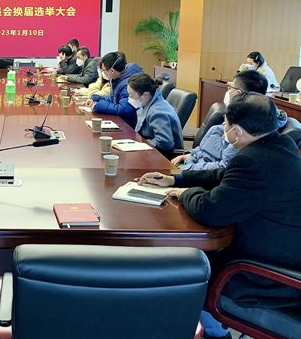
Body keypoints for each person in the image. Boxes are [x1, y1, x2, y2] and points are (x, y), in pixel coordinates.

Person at [139, 94, 301, 338]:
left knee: (180, 269)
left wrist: (185, 193)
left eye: (225, 124)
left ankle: (214, 334)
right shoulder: (280, 145)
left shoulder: (253, 160)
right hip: (283, 257)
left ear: (236, 131)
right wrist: (176, 179)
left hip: (264, 279)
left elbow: (211, 211)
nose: (224, 129)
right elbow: (225, 175)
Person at [172, 70, 270, 171]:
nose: (228, 91)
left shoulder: (243, 133)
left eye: (230, 87)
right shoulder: (232, 117)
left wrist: (189, 165)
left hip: (198, 172)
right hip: (193, 164)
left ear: (238, 93)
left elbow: (221, 168)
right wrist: (190, 154)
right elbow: (205, 147)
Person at [127, 73, 183, 151]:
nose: (129, 99)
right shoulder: (149, 101)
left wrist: (141, 144)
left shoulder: (158, 112)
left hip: (163, 155)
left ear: (145, 94)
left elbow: (164, 142)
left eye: (131, 96)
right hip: (150, 147)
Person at [86, 52, 142, 128]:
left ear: (112, 71)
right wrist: (97, 98)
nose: (103, 73)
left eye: (104, 70)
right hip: (121, 121)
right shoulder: (118, 78)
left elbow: (123, 109)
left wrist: (99, 106)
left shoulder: (128, 84)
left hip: (128, 126)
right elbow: (114, 98)